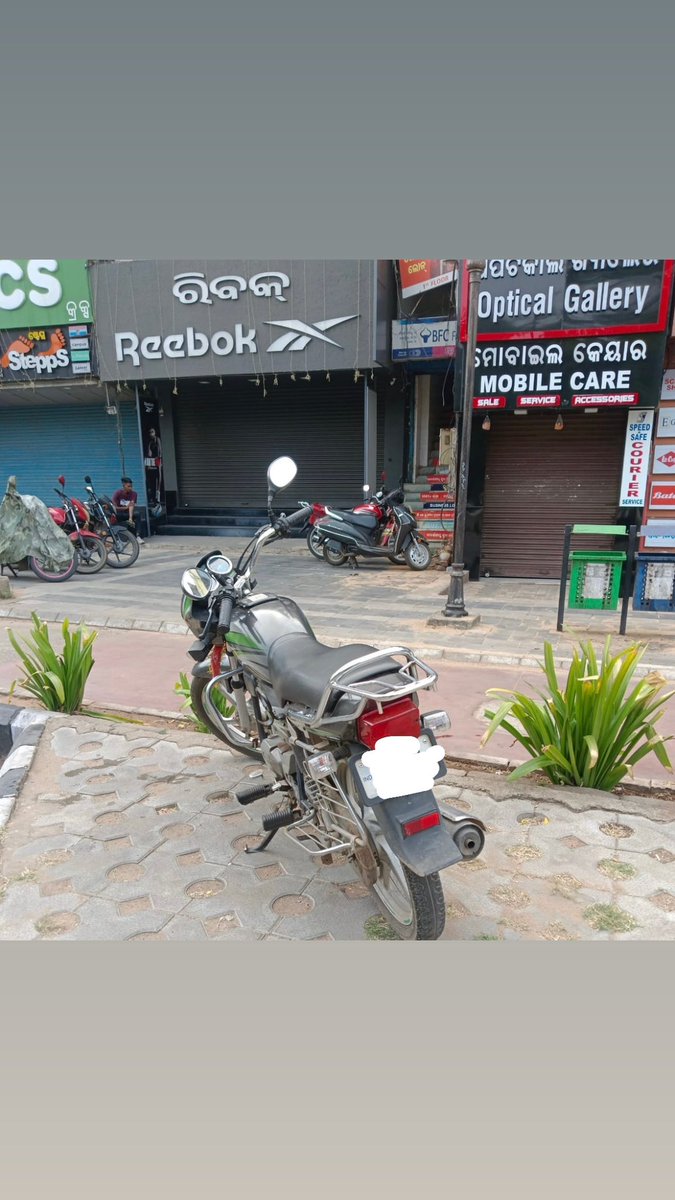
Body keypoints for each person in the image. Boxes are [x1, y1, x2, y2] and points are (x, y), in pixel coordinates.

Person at [112, 477, 144, 544]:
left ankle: (138, 536)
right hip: (119, 514)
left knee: (138, 514)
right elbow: (114, 507)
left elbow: (131, 506)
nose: (130, 488)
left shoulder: (134, 494)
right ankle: (117, 538)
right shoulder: (118, 493)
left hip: (127, 514)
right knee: (113, 517)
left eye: (131, 486)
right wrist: (125, 508)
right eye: (129, 486)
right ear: (124, 485)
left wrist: (130, 517)